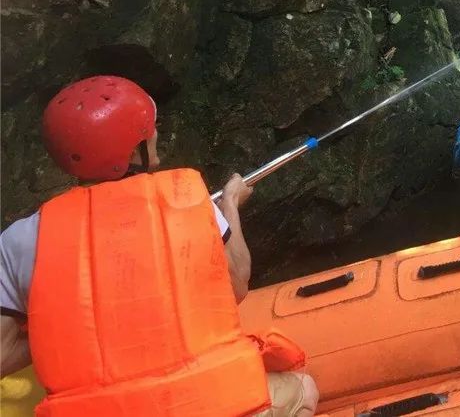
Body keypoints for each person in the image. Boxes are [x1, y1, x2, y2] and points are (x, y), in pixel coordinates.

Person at [0, 76, 318, 416]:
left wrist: (70, 327)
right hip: (210, 405)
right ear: (133, 149)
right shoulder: (187, 198)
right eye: (148, 130)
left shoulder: (19, 240)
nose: (155, 135)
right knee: (304, 388)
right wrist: (228, 205)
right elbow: (236, 285)